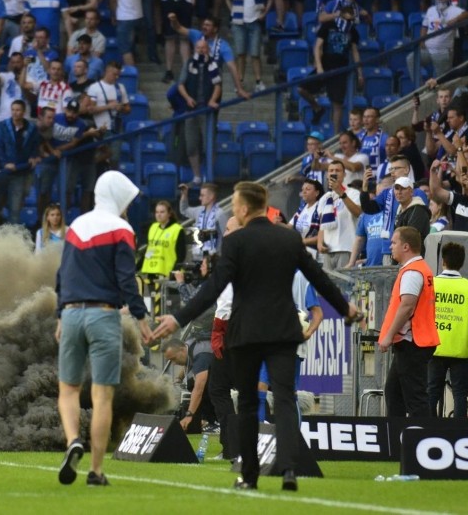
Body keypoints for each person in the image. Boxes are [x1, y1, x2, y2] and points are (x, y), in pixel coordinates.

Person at [153, 181, 359, 491]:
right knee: (286, 399)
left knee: (248, 403)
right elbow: (320, 277)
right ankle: (289, 471)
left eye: (234, 205)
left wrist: (178, 317)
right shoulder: (290, 238)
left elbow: (213, 288)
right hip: (284, 331)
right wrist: (345, 308)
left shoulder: (236, 243)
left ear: (245, 208)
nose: (233, 210)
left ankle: (249, 475)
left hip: (246, 333)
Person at [55, 170, 153, 487]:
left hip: (70, 314)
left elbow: (61, 275)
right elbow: (126, 279)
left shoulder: (77, 226)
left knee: (67, 390)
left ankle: (72, 439)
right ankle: (96, 471)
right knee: (102, 397)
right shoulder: (122, 229)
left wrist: (60, 315)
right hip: (103, 315)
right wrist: (140, 317)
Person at [378, 225, 440, 418]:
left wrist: (388, 335)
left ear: (406, 247)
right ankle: (398, 439)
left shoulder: (413, 272)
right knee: (394, 392)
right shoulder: (418, 269)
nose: (391, 246)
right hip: (413, 341)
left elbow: (407, 306)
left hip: (412, 341)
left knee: (415, 398)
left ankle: (423, 441)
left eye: (394, 242)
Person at [428, 242, 468, 419]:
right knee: (460, 394)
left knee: (431, 393)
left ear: (443, 261)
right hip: (461, 348)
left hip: (434, 346)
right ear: (462, 263)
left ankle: (428, 431)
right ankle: (458, 434)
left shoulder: (431, 284)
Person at [298, 6, 363, 134]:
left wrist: (360, 73)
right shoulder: (328, 25)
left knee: (337, 103)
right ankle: (317, 108)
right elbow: (317, 47)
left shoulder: (352, 31)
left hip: (340, 70)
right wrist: (319, 67)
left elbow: (355, 53)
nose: (349, 21)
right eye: (348, 17)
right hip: (325, 65)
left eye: (352, 19)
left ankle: (336, 136)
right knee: (301, 88)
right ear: (342, 14)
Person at [224, 0, 272, 94]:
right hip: (238, 22)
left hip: (255, 21)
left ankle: (258, 81)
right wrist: (232, 11)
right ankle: (240, 82)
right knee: (240, 54)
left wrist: (264, 14)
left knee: (255, 54)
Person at [177, 39, 221, 185]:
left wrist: (212, 100)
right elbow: (180, 85)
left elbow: (217, 85)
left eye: (203, 47)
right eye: (198, 47)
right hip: (191, 110)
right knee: (191, 144)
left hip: (207, 111)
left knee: (209, 145)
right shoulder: (189, 63)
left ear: (207, 49)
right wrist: (188, 98)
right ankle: (196, 175)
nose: (201, 50)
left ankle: (208, 175)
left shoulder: (213, 64)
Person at [0, 99, 41, 224]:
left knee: (15, 209)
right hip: (3, 172)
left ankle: (13, 237)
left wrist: (33, 156)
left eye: (18, 110)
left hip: (20, 171)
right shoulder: (2, 126)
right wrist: (5, 163)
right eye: (13, 110)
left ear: (24, 112)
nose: (15, 113)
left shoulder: (31, 128)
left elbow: (35, 145)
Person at [162, 335, 214, 431]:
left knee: (207, 387)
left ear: (182, 350)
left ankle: (214, 423)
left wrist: (189, 415)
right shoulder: (188, 346)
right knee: (191, 384)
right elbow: (187, 362)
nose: (174, 363)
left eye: (174, 358)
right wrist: (178, 379)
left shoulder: (201, 354)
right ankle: (203, 420)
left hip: (231, 372)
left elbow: (199, 389)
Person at [318, 159, 361, 270]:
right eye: (331, 170)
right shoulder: (325, 198)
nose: (334, 173)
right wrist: (319, 242)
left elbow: (358, 213)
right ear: (327, 175)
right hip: (328, 251)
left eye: (338, 170)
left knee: (344, 286)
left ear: (344, 174)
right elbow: (322, 224)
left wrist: (341, 193)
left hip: (346, 248)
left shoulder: (353, 193)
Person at [178, 182, 227, 257]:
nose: (199, 198)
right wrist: (184, 194)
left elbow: (226, 236)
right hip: (198, 257)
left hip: (213, 258)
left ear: (211, 196)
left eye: (202, 195)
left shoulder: (220, 214)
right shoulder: (199, 211)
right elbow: (184, 210)